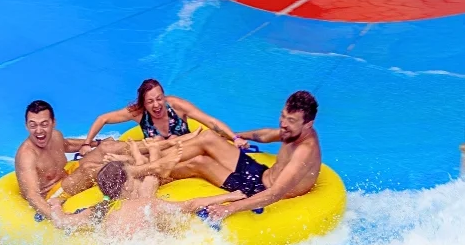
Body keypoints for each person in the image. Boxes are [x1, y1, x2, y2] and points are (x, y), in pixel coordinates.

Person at [130, 91, 322, 221]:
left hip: (259, 190)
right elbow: (265, 135)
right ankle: (146, 163)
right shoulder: (291, 131)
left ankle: (140, 169)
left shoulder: (305, 151)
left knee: (199, 162)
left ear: (308, 124)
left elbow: (274, 194)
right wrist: (235, 137)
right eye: (283, 116)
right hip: (259, 173)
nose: (283, 123)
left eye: (291, 120)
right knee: (208, 137)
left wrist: (229, 208)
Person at [48, 140, 246, 236]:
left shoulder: (100, 210)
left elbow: (62, 222)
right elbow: (191, 204)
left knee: (149, 182)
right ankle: (155, 160)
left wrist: (56, 205)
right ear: (126, 183)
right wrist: (231, 196)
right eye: (133, 176)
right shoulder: (148, 205)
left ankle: (154, 160)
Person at [77, 78, 250, 187]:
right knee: (146, 145)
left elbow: (210, 122)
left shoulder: (177, 106)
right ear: (143, 104)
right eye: (150, 101)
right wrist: (86, 143)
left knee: (182, 140)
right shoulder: (138, 113)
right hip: (162, 159)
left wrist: (234, 138)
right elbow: (103, 119)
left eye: (159, 99)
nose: (157, 105)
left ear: (164, 97)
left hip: (188, 151)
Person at [15, 100, 112, 222]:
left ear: (53, 122)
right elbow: (32, 195)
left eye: (44, 124)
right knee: (89, 169)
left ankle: (142, 148)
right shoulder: (27, 155)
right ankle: (127, 181)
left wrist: (97, 143)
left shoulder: (55, 135)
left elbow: (68, 145)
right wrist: (58, 219)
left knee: (105, 150)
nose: (39, 131)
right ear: (26, 125)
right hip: (51, 194)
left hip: (65, 176)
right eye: (33, 125)